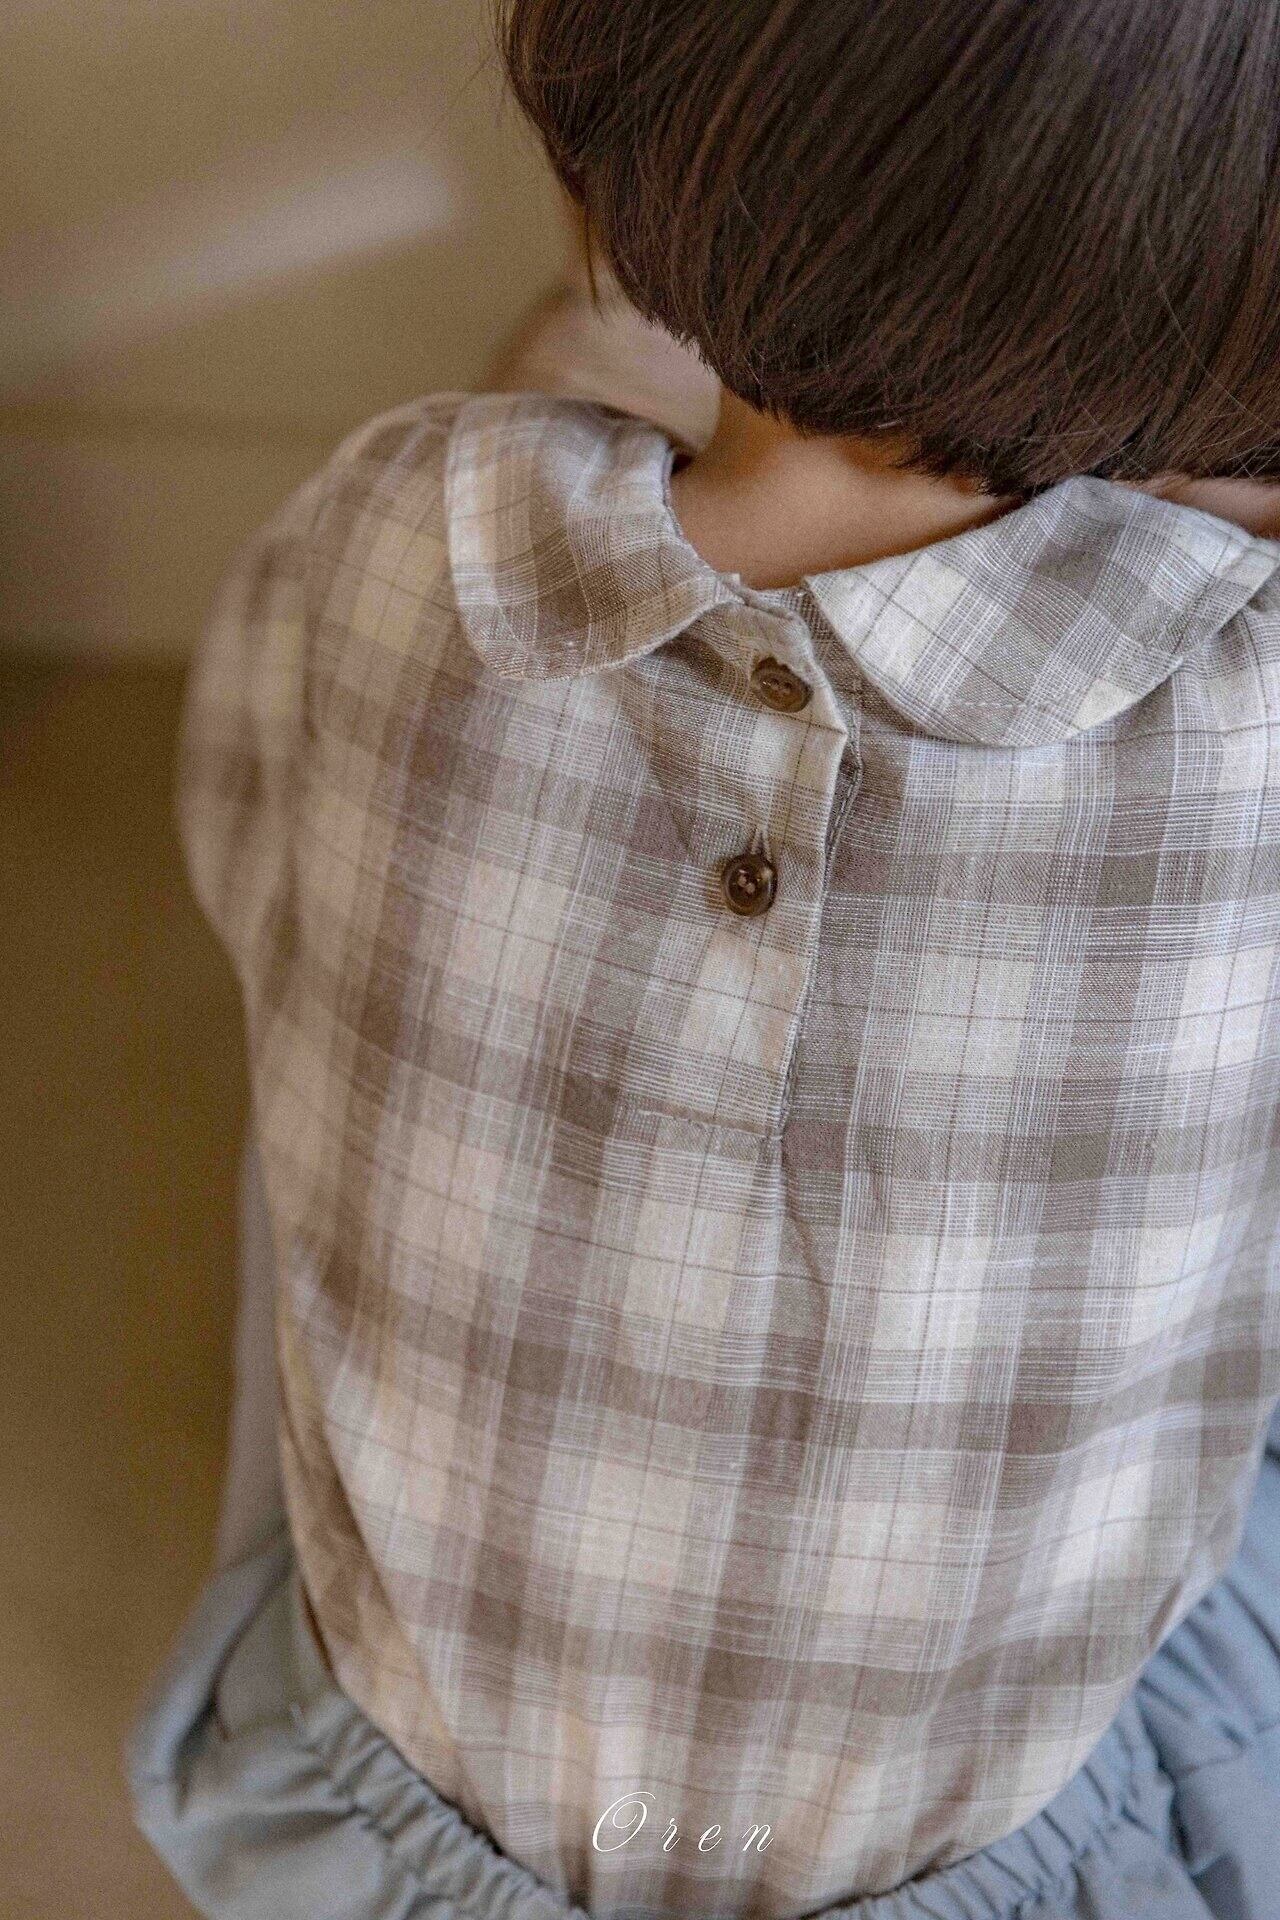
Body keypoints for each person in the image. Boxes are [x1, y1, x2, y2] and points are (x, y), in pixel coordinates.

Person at [127, 4, 1280, 1917]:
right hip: (1007, 1838)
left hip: (407, 1810)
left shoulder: (394, 522)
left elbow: (237, 829)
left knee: (307, 1086)